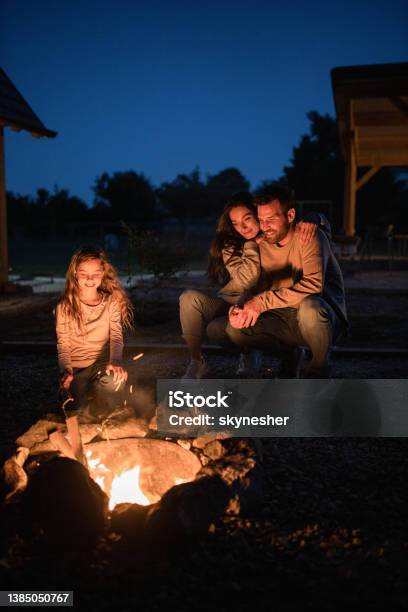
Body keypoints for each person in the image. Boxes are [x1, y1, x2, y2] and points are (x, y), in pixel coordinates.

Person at [207, 184, 348, 378]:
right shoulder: (260, 244)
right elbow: (255, 287)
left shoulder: (309, 235)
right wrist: (241, 306)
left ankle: (319, 368)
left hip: (322, 317)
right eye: (261, 220)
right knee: (228, 329)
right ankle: (290, 355)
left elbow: (313, 285)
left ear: (290, 216)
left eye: (271, 219)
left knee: (310, 308)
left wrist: (260, 303)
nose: (265, 227)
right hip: (283, 316)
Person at [179, 192, 319, 380]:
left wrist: (314, 218)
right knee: (189, 299)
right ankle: (197, 362)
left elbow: (301, 223)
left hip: (269, 306)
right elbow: (246, 279)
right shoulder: (232, 245)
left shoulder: (276, 233)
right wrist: (251, 245)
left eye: (247, 219)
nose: (242, 228)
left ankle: (289, 355)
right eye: (235, 223)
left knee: (225, 328)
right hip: (234, 301)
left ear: (258, 215)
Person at [55, 246, 134, 418]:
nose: (90, 279)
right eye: (84, 273)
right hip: (76, 369)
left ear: (103, 273)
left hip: (101, 364)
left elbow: (116, 336)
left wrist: (115, 361)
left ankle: (104, 409)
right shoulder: (65, 307)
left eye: (96, 273)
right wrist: (66, 371)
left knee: (114, 382)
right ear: (75, 272)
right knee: (74, 411)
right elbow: (63, 344)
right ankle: (86, 403)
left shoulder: (111, 303)